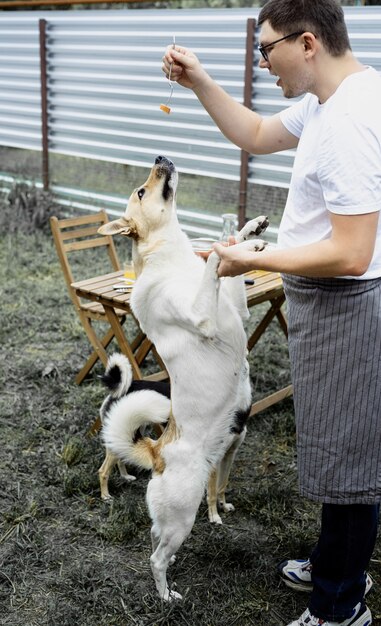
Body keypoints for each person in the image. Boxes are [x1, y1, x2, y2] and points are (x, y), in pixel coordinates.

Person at [162, 1, 381, 625]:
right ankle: (340, 564)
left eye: (266, 50)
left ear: (306, 42)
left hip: (348, 309)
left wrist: (251, 260)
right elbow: (256, 136)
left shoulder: (348, 121)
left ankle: (340, 606)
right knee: (346, 450)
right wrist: (200, 79)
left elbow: (351, 251)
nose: (262, 64)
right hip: (335, 304)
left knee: (348, 462)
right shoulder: (333, 101)